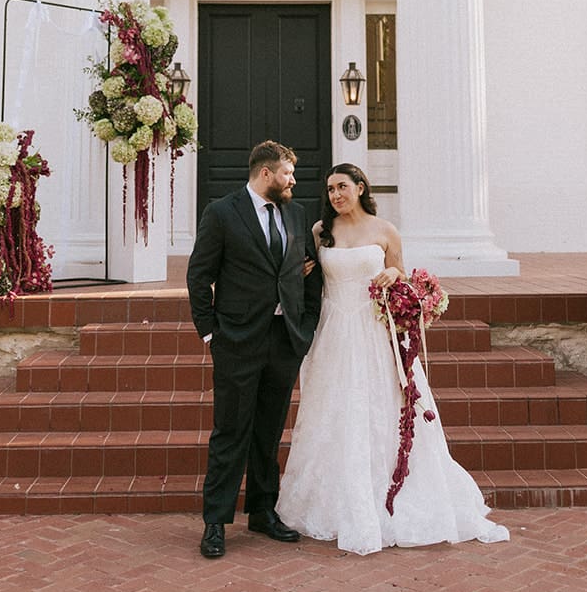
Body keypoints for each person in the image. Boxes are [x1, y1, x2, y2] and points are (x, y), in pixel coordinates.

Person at [276, 163, 510, 556]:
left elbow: (399, 271)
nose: (335, 195)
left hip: (373, 330)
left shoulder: (385, 230)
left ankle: (394, 493)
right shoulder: (320, 232)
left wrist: (391, 275)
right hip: (333, 330)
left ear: (360, 188)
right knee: (335, 408)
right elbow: (308, 276)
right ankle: (337, 500)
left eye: (343, 187)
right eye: (331, 189)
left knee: (382, 406)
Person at [187, 139, 323, 559]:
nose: (293, 181)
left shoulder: (297, 214)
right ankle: (216, 522)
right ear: (266, 173)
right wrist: (211, 332)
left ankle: (264, 511)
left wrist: (305, 326)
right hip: (237, 341)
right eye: (287, 174)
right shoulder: (222, 212)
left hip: (283, 341)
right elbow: (199, 274)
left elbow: (310, 273)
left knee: (268, 431)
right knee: (231, 432)